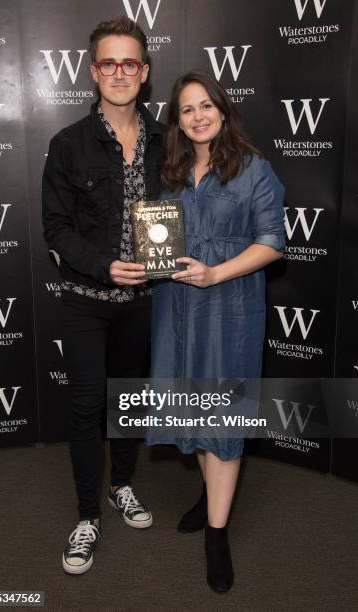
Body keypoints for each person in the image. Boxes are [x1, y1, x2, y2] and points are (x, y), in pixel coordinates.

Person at [149, 71, 285, 593]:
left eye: (206, 105)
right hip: (177, 309)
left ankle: (217, 535)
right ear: (178, 122)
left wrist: (215, 273)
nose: (198, 115)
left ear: (223, 112)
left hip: (229, 307)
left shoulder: (254, 170)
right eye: (187, 109)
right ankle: (211, 496)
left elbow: (273, 242)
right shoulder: (175, 173)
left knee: (223, 418)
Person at [42, 16, 165, 574]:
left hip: (145, 303)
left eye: (130, 62)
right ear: (94, 72)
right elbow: (56, 228)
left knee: (129, 401)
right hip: (86, 298)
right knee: (88, 403)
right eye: (109, 62)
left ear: (144, 71)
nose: (120, 72)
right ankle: (87, 514)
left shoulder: (169, 139)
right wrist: (103, 266)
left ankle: (121, 484)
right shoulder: (67, 144)